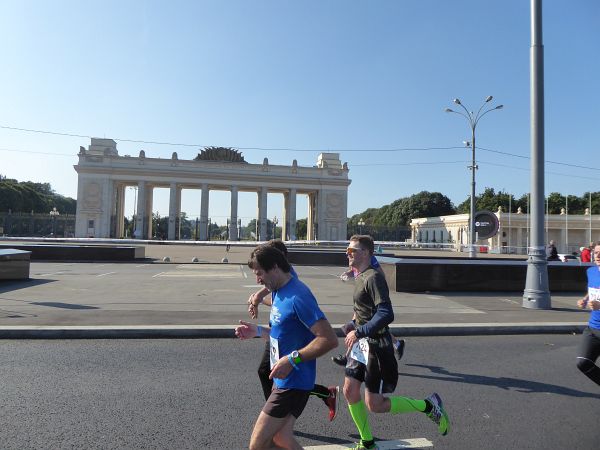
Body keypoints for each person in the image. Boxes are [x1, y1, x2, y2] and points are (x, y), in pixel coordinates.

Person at [342, 235, 449, 450]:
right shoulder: (359, 276)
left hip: (376, 346)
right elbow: (363, 310)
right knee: (350, 391)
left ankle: (428, 406)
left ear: (365, 253)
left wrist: (360, 331)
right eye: (347, 250)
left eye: (352, 250)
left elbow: (386, 312)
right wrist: (352, 324)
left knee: (375, 404)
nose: (348, 254)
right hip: (361, 345)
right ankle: (367, 442)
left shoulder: (373, 277)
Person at [236, 245, 338, 450]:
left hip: (294, 383)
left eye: (259, 274)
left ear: (274, 267)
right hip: (283, 380)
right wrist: (257, 332)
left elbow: (328, 339)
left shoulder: (298, 297)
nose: (257, 281)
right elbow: (281, 336)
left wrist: (292, 359)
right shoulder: (278, 293)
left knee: (257, 445)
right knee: (281, 438)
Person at [333, 253, 405, 366]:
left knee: (362, 326)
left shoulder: (370, 260)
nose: (348, 253)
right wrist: (348, 274)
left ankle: (348, 357)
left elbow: (380, 274)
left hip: (370, 299)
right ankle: (397, 343)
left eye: (351, 249)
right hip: (361, 297)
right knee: (366, 327)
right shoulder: (353, 259)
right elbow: (354, 271)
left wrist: (376, 291)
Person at [576, 241, 600, 386]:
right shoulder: (591, 271)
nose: (598, 256)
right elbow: (593, 290)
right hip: (593, 328)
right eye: (596, 252)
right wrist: (584, 300)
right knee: (583, 362)